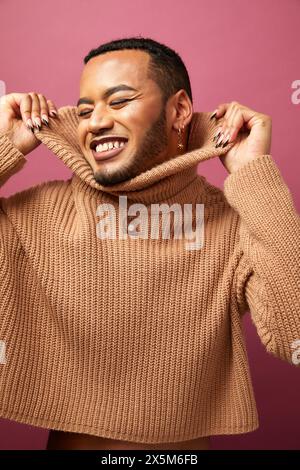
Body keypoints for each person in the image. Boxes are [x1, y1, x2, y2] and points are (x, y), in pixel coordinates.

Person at [0, 37, 299, 451]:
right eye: (85, 110)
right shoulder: (36, 217)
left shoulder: (232, 221)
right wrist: (4, 146)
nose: (95, 122)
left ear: (178, 111)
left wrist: (254, 174)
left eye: (119, 101)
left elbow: (295, 337)